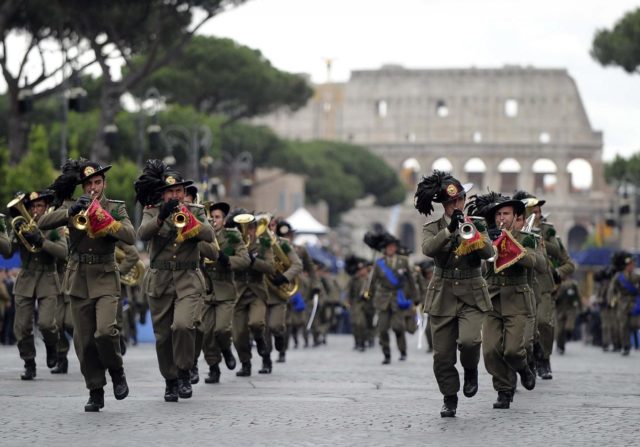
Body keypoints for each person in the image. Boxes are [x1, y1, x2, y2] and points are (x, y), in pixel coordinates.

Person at [40, 159, 134, 412]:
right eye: (89, 184)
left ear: (104, 183)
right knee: (84, 342)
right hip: (79, 277)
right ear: (82, 186)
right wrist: (70, 211)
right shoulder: (71, 205)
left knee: (105, 332)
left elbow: (131, 236)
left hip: (105, 275)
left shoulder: (115, 207)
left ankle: (116, 370)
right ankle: (95, 390)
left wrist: (105, 220)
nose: (93, 187)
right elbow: (42, 224)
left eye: (97, 182)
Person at [136, 159, 215, 402]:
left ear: (183, 193)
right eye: (170, 191)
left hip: (188, 279)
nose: (175, 195)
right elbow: (142, 234)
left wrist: (189, 219)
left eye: (178, 191)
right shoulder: (151, 210)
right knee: (163, 336)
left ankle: (183, 372)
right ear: (163, 194)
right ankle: (170, 380)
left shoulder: (196, 210)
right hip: (160, 279)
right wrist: (160, 217)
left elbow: (209, 234)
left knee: (183, 326)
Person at [416, 171, 493, 417]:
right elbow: (428, 249)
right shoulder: (433, 228)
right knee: (442, 356)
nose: (455, 205)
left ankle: (470, 369)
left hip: (471, 292)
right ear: (444, 205)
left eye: (459, 200)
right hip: (443, 294)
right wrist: (450, 230)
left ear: (464, 199)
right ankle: (450, 397)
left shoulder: (477, 224)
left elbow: (488, 253)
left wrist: (471, 233)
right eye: (450, 202)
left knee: (470, 342)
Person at [466, 192, 539, 409]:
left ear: (516, 216)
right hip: (493, 300)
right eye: (498, 213)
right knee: (490, 351)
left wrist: (511, 246)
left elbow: (536, 263)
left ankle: (524, 368)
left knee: (513, 350)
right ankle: (504, 390)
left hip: (517, 300)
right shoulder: (488, 236)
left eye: (506, 213)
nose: (502, 218)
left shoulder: (527, 238)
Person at [8, 190, 66, 380]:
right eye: (31, 206)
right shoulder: (23, 224)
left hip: (48, 279)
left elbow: (64, 252)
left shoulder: (55, 227)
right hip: (26, 279)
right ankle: (29, 362)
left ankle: (51, 346)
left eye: (39, 206)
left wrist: (41, 241)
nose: (35, 210)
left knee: (47, 324)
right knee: (22, 327)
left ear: (46, 207)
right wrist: (12, 231)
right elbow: (8, 252)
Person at [199, 201, 249, 384]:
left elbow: (245, 260)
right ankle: (213, 367)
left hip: (225, 291)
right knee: (205, 333)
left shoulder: (233, 236)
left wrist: (226, 259)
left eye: (217, 217)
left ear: (224, 219)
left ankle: (227, 350)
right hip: (206, 290)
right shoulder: (201, 236)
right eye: (210, 217)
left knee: (222, 329)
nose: (213, 220)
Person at [229, 209, 275, 377]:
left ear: (255, 229)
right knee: (238, 333)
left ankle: (265, 356)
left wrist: (254, 260)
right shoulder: (233, 243)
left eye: (250, 228)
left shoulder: (263, 243)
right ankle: (245, 363)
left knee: (257, 323)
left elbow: (270, 267)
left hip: (257, 290)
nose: (247, 232)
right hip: (239, 291)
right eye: (244, 228)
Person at [367, 231, 417, 365]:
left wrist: (415, 296)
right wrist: (368, 293)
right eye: (388, 247)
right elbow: (373, 280)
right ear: (385, 248)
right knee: (382, 329)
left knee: (398, 327)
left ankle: (402, 351)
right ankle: (386, 354)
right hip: (382, 299)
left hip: (397, 298)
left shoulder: (403, 261)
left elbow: (411, 280)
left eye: (393, 246)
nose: (391, 249)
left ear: (396, 248)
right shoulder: (379, 263)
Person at [260, 219, 302, 371]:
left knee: (275, 325)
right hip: (260, 292)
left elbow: (297, 264)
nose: (269, 229)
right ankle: (266, 360)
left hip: (278, 294)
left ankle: (280, 336)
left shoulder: (283, 243)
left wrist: (284, 277)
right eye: (265, 226)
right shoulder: (255, 242)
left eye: (271, 226)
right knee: (262, 329)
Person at [607, 251, 637, 356]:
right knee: (623, 325)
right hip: (622, 303)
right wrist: (611, 300)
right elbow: (612, 289)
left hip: (634, 303)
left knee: (634, 324)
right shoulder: (619, 276)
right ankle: (626, 346)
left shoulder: (636, 276)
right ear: (626, 266)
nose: (631, 266)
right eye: (630, 265)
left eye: (632, 264)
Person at [345, 255, 371, 351]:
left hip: (369, 305)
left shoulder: (370, 280)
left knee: (368, 324)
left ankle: (368, 339)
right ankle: (359, 342)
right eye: (360, 270)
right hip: (357, 304)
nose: (362, 271)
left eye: (363, 269)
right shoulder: (354, 279)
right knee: (358, 324)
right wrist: (348, 301)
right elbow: (348, 291)